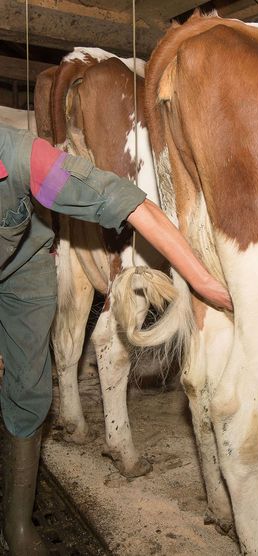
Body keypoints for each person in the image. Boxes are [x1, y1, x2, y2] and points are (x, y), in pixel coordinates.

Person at [0, 124, 232, 555]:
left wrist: (202, 281)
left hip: (20, 270)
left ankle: (17, 526)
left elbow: (128, 203)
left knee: (29, 389)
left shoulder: (23, 156)